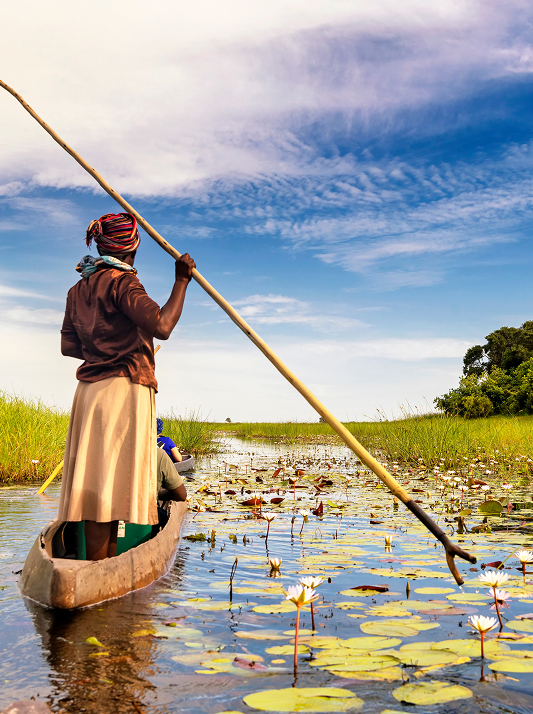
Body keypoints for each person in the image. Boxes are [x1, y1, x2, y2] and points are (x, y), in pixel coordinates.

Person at [58, 211, 195, 561]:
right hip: (124, 389)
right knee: (114, 489)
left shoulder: (78, 289)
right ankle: (103, 572)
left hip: (90, 394)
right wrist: (182, 280)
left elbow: (69, 347)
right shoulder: (123, 282)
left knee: (97, 488)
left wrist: (104, 347)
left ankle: (97, 567)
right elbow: (162, 325)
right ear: (132, 246)